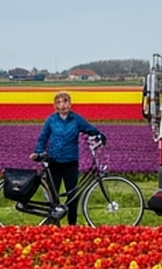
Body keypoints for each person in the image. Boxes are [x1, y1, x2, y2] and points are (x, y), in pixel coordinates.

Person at [32, 91, 106, 225]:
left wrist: (100, 135)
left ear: (70, 103)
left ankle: (72, 225)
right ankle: (55, 225)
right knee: (54, 198)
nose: (63, 105)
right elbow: (43, 138)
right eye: (59, 102)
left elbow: (89, 129)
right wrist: (38, 152)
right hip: (54, 162)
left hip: (71, 162)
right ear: (55, 105)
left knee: (72, 196)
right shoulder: (51, 120)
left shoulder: (77, 119)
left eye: (65, 101)